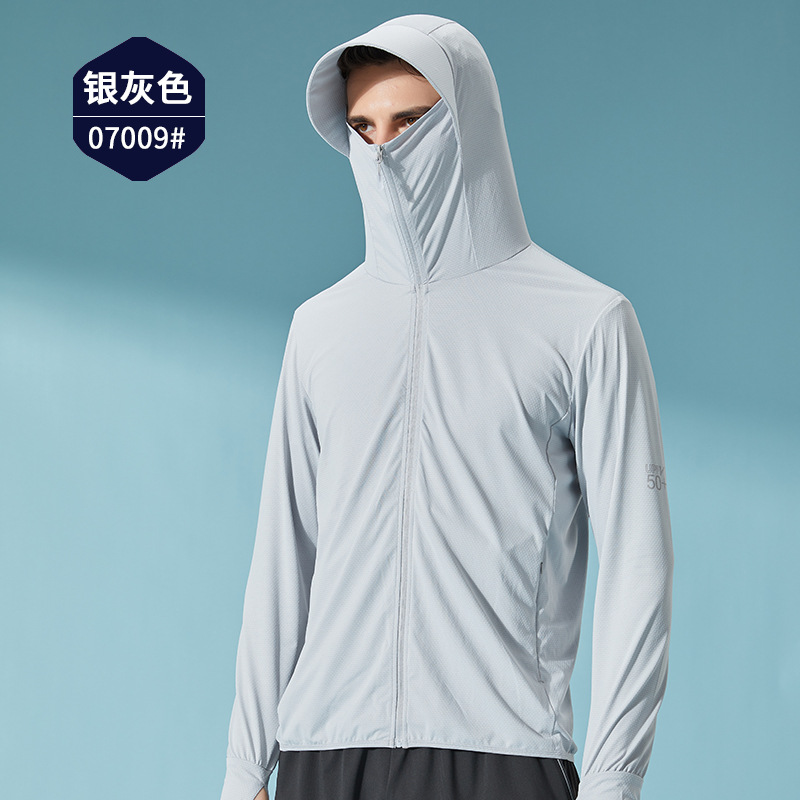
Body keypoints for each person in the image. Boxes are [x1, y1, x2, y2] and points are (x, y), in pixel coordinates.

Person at [220, 14, 673, 800]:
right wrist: (243, 766)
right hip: (324, 754)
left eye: (409, 121)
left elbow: (639, 564)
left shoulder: (585, 322)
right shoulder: (320, 328)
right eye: (363, 127)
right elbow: (283, 557)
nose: (382, 149)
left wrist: (612, 781)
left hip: (503, 754)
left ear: (470, 123)